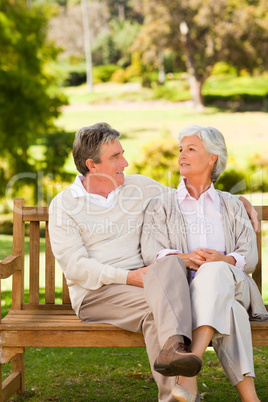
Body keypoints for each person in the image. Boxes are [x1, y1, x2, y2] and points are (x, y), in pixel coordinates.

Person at [49, 122, 258, 402]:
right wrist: (129, 277)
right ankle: (180, 388)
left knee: (169, 279)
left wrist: (238, 202)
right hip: (97, 293)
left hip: (149, 283)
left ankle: (177, 389)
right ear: (92, 165)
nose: (125, 162)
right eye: (115, 157)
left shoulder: (139, 187)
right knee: (167, 306)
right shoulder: (64, 205)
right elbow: (76, 267)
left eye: (122, 153)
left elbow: (189, 197)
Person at [141, 125, 268, 402]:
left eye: (191, 149)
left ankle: (189, 369)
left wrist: (224, 260)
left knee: (215, 271)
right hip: (187, 296)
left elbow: (250, 256)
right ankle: (251, 399)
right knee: (231, 310)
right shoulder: (161, 204)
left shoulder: (232, 205)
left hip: (233, 284)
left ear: (213, 157)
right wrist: (184, 259)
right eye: (180, 150)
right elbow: (152, 252)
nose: (182, 155)